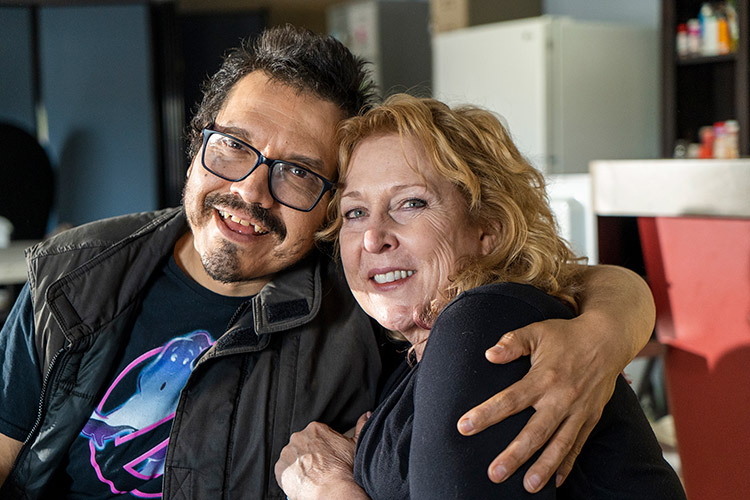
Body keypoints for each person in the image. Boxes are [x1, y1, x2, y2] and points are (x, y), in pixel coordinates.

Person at [0, 26, 655, 499]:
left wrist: (607, 330)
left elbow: (546, 282)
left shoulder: (365, 301)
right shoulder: (76, 273)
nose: (251, 192)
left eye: (297, 173)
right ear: (197, 142)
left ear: (323, 206)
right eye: (233, 147)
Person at [275, 95, 686, 499]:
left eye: (410, 203)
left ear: (487, 229)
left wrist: (325, 489)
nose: (372, 237)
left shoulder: (486, 324)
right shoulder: (417, 351)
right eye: (355, 212)